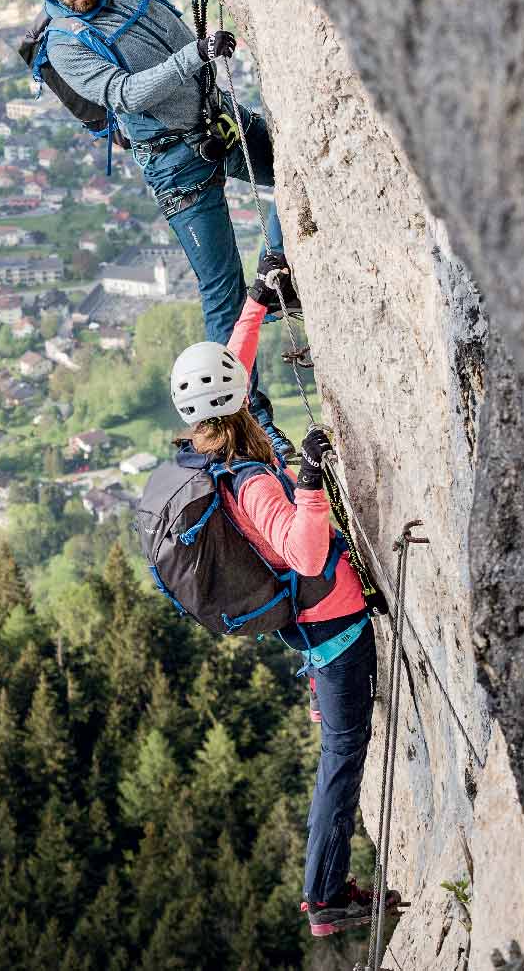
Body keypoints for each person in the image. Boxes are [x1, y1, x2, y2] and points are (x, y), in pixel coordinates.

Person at [167, 267, 398, 938]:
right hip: (334, 625)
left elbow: (230, 370)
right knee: (345, 748)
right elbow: (302, 549)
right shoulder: (249, 482)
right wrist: (310, 480)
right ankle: (324, 895)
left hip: (310, 623)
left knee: (342, 742)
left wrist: (255, 305)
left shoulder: (202, 447)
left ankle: (325, 891)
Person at [18, 0, 298, 459]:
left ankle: (280, 270)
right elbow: (125, 94)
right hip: (174, 164)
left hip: (217, 119)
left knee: (301, 171)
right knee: (222, 293)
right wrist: (195, 54)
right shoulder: (67, 44)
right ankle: (253, 425)